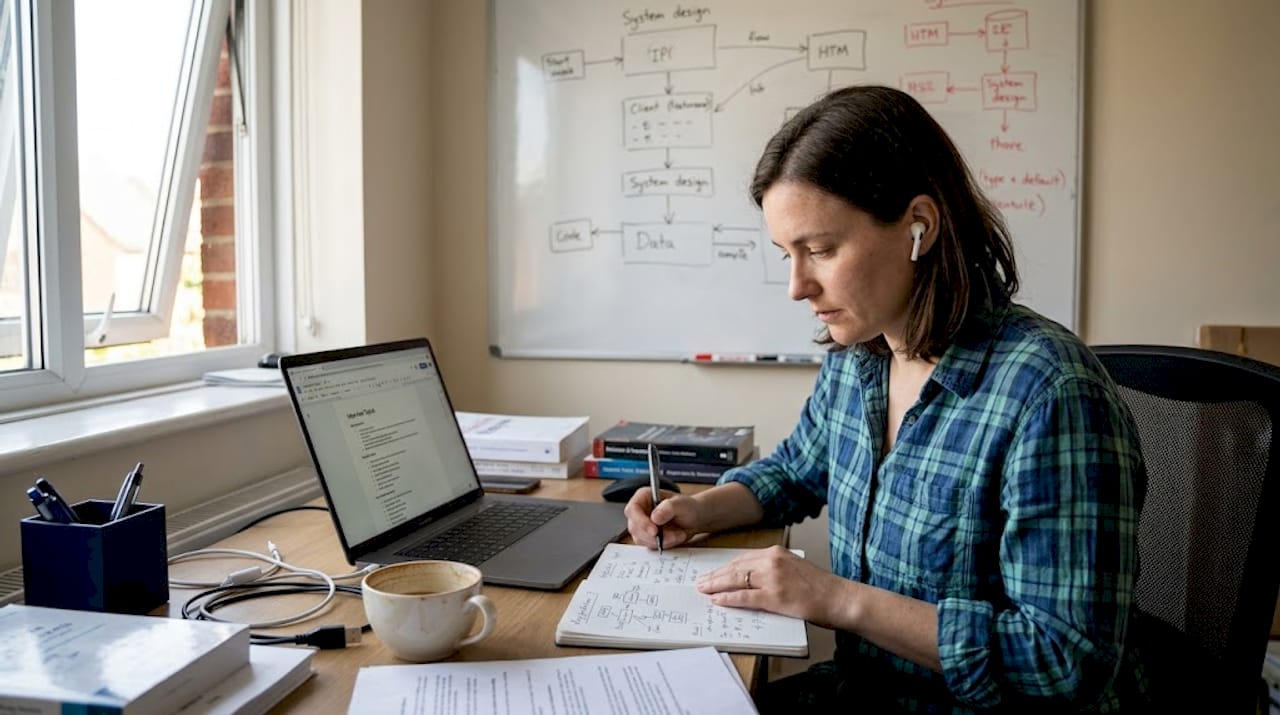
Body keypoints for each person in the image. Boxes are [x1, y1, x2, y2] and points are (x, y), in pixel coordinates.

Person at [624, 85, 1148, 712]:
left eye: (820, 250)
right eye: (787, 254)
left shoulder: (1051, 394)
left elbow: (1065, 661)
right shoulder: (858, 359)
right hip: (863, 692)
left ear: (918, 226)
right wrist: (697, 509)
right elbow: (796, 471)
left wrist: (835, 599)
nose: (796, 286)